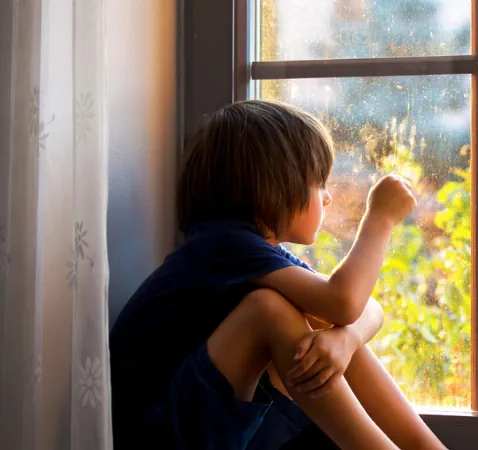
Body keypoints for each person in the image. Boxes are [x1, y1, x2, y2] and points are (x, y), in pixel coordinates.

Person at [110, 100, 446, 450]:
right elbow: (344, 302)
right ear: (276, 185)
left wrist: (346, 341)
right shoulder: (222, 245)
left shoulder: (250, 252)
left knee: (321, 330)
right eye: (319, 183)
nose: (328, 197)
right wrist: (379, 220)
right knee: (268, 311)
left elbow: (361, 309)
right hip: (155, 433)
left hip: (200, 425)